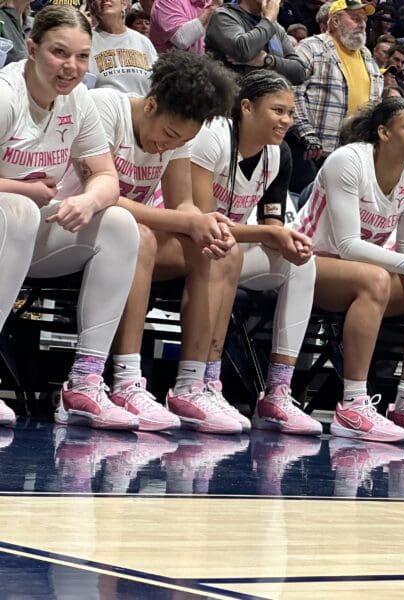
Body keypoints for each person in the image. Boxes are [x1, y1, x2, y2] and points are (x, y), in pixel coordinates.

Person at [57, 51, 241, 433]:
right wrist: (188, 221)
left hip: (122, 241)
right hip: (69, 225)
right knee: (135, 233)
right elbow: (107, 196)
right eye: (169, 135)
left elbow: (183, 203)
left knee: (220, 252)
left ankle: (194, 385)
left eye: (182, 141)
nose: (167, 145)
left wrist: (201, 224)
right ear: (152, 104)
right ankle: (125, 380)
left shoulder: (178, 136)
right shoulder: (106, 106)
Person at [0, 6, 141, 429]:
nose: (71, 67)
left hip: (23, 235)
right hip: (12, 219)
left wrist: (88, 201)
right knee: (22, 210)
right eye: (59, 53)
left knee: (119, 223)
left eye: (82, 56)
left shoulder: (79, 99)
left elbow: (105, 177)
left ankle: (85, 382)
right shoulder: (6, 96)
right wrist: (25, 190)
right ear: (31, 48)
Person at [296, 98, 404, 443]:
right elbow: (346, 245)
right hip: (307, 261)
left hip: (360, 274)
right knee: (374, 278)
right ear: (384, 133)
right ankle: (352, 405)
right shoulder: (347, 161)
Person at [189, 70, 321, 434]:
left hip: (229, 247)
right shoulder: (212, 136)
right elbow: (202, 221)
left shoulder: (279, 156)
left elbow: (271, 222)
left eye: (290, 113)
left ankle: (278, 393)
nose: (286, 121)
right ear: (246, 107)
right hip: (186, 243)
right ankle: (201, 381)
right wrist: (268, 232)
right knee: (224, 251)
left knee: (301, 265)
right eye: (278, 110)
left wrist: (285, 238)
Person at [290, 0, 382, 174]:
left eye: (364, 20)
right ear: (335, 21)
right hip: (315, 151)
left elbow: (375, 104)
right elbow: (292, 92)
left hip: (354, 153)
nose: (362, 24)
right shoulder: (311, 47)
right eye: (355, 18)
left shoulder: (368, 56)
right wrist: (306, 133)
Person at [204, 0, 306, 84]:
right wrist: (269, 19)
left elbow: (300, 72)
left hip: (268, 100)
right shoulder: (223, 16)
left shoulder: (276, 27)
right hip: (234, 102)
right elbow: (243, 51)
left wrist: (267, 60)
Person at [87, 0, 158, 94]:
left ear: (124, 3)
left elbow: (156, 85)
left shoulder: (143, 42)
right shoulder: (86, 41)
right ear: (92, 7)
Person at [149, 0, 222, 54]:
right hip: (171, 71)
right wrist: (212, 9)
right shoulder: (166, 1)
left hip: (201, 70)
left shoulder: (211, 3)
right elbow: (182, 39)